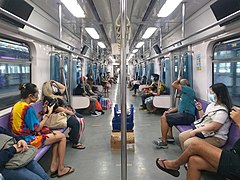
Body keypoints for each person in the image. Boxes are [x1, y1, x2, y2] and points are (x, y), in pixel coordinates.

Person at [155, 106, 240, 180]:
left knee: (196, 144)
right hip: (234, 155)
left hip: (236, 162)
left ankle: (175, 164)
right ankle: (175, 165)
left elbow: (214, 126)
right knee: (194, 160)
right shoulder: (213, 107)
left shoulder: (222, 111)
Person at [10, 83, 74, 178]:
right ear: (30, 96)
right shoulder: (28, 108)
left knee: (56, 136)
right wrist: (49, 113)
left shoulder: (17, 106)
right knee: (62, 137)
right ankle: (61, 168)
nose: (37, 97)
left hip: (19, 138)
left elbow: (30, 123)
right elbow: (37, 128)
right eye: (36, 94)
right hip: (28, 141)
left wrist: (42, 113)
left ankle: (53, 166)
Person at [179, 83, 232, 150]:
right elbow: (204, 119)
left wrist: (195, 131)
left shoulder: (223, 110)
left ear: (219, 95)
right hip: (206, 132)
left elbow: (214, 127)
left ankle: (191, 157)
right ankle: (188, 157)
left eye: (212, 93)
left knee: (189, 143)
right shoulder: (211, 105)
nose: (210, 95)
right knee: (182, 136)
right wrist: (200, 109)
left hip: (216, 138)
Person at [152, 78, 196, 148]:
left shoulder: (188, 89)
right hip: (184, 115)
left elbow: (173, 84)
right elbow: (178, 107)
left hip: (187, 116)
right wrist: (168, 111)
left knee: (164, 118)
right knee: (168, 115)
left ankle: (163, 142)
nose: (178, 88)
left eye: (180, 85)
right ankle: (169, 136)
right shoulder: (184, 95)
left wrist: (178, 79)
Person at [42, 80, 86, 149]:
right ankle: (75, 142)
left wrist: (54, 82)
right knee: (75, 122)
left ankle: (72, 136)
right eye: (52, 87)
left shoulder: (56, 94)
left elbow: (63, 88)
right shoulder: (48, 98)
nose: (54, 88)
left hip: (63, 114)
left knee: (80, 117)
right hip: (57, 116)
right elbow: (56, 108)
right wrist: (68, 112)